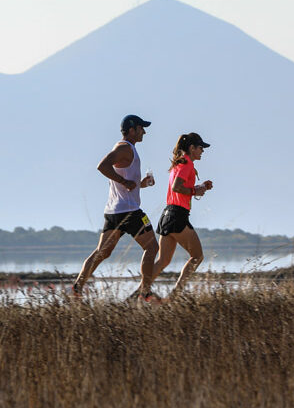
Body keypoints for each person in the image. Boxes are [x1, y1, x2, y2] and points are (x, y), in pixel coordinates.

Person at [71, 114, 158, 298]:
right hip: (131, 212)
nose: (145, 131)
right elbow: (102, 165)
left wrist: (141, 183)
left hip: (114, 211)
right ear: (132, 130)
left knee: (102, 252)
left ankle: (77, 288)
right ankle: (145, 292)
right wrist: (123, 181)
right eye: (142, 128)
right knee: (152, 248)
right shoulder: (125, 147)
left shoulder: (128, 149)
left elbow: (127, 181)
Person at [145, 132, 214, 298]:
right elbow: (177, 187)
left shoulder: (179, 163)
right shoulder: (187, 163)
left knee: (163, 261)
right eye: (200, 148)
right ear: (191, 148)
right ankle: (174, 297)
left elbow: (180, 189)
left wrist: (199, 187)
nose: (203, 151)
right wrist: (194, 190)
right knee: (197, 256)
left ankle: (142, 292)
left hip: (168, 214)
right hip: (177, 216)